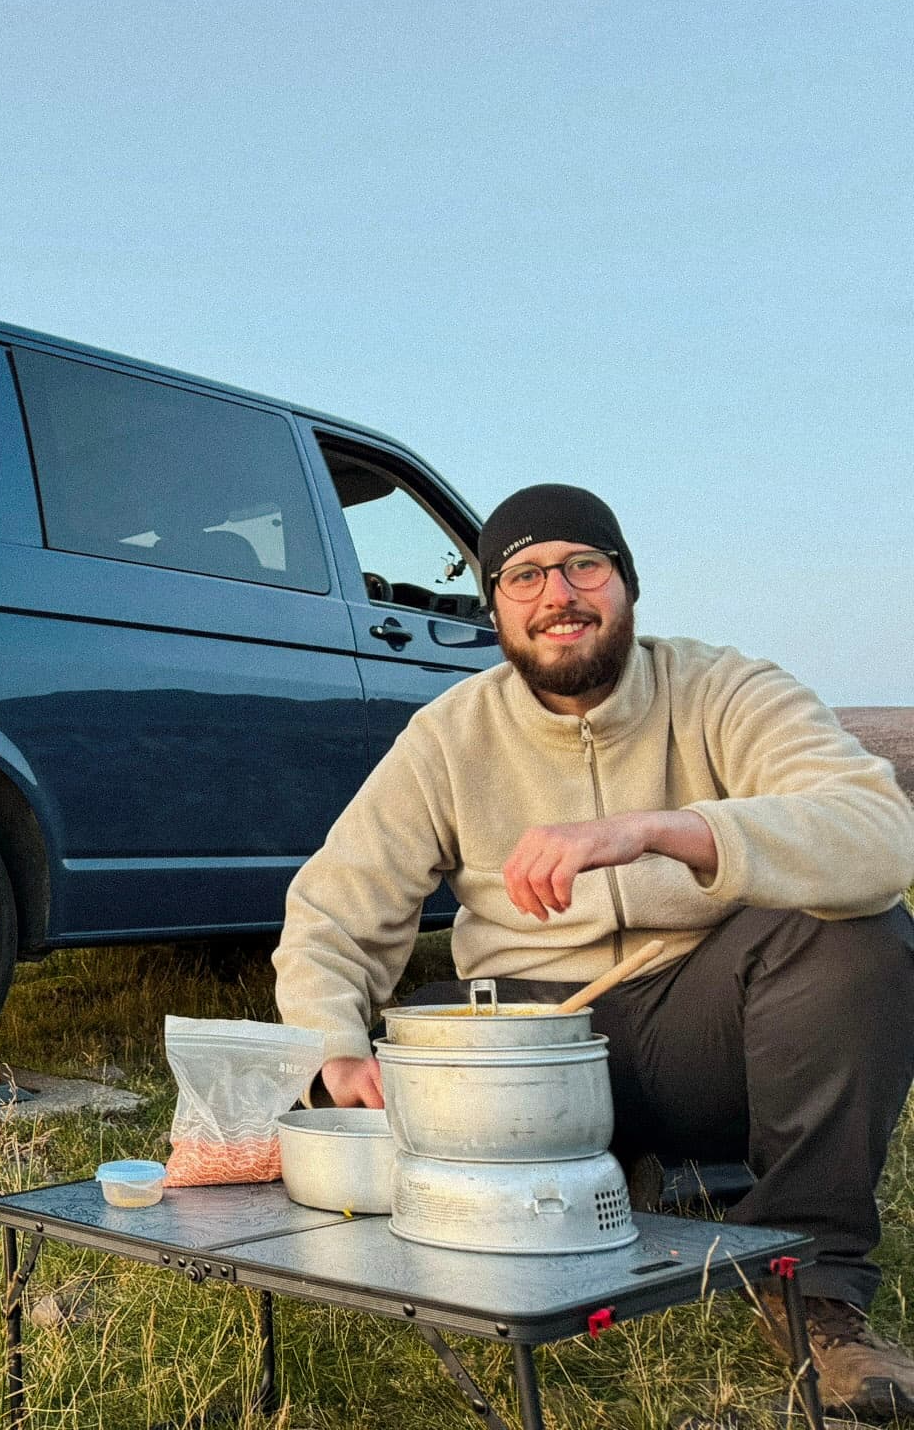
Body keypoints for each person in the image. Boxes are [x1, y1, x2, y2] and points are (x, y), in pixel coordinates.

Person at [272, 482, 914, 1419]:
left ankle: (812, 1287)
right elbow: (335, 907)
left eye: (584, 565)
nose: (556, 593)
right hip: (529, 1041)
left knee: (861, 935)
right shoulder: (448, 735)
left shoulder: (724, 687)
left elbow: (879, 833)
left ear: (626, 583)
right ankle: (597, 1180)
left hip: (706, 1019)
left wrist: (664, 829)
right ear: (494, 608)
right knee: (432, 1029)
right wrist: (330, 1044)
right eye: (523, 576)